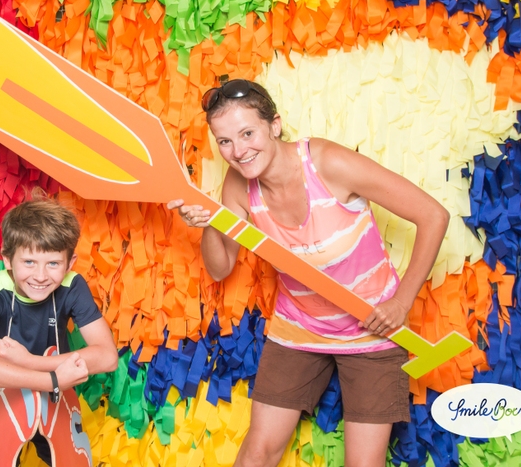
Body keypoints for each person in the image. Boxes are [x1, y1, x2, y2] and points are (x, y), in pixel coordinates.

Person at [168, 79, 449, 467]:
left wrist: (401, 303)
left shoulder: (328, 164)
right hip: (300, 325)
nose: (239, 151)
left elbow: (434, 215)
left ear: (275, 125)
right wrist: (211, 222)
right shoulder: (238, 184)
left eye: (247, 134)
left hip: (372, 329)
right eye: (225, 141)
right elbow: (220, 268)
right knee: (256, 455)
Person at [0, 196, 118, 465]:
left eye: (53, 264)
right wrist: (51, 380)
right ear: (7, 259)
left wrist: (32, 362)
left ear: (70, 263)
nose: (41, 276)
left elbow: (107, 356)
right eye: (29, 262)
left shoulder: (72, 285)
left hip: (56, 400)